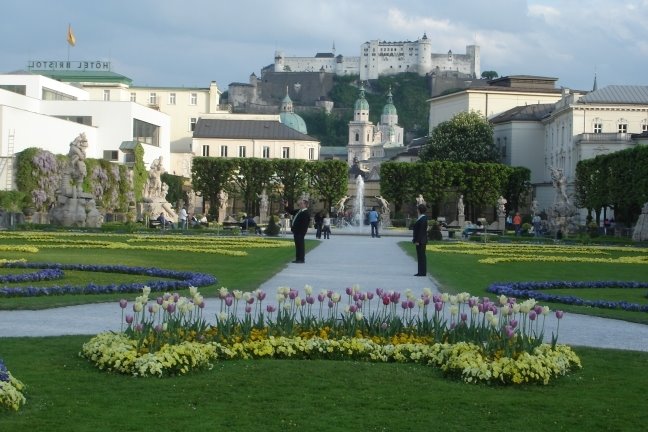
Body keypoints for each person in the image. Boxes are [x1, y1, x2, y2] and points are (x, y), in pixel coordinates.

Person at [284, 199, 310, 263]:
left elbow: (304, 224)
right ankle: (298, 258)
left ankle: (301, 259)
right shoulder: (299, 211)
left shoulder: (305, 213)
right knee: (298, 245)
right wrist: (286, 206)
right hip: (296, 231)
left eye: (301, 203)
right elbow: (291, 211)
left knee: (300, 245)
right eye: (300, 203)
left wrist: (301, 232)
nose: (300, 204)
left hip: (300, 232)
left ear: (305, 205)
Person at [412, 203, 428, 276]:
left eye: (417, 209)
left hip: (421, 240)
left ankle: (422, 272)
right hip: (421, 240)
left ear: (419, 210)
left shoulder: (422, 219)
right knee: (420, 256)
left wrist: (417, 240)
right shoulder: (422, 218)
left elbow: (421, 231)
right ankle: (421, 272)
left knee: (421, 256)